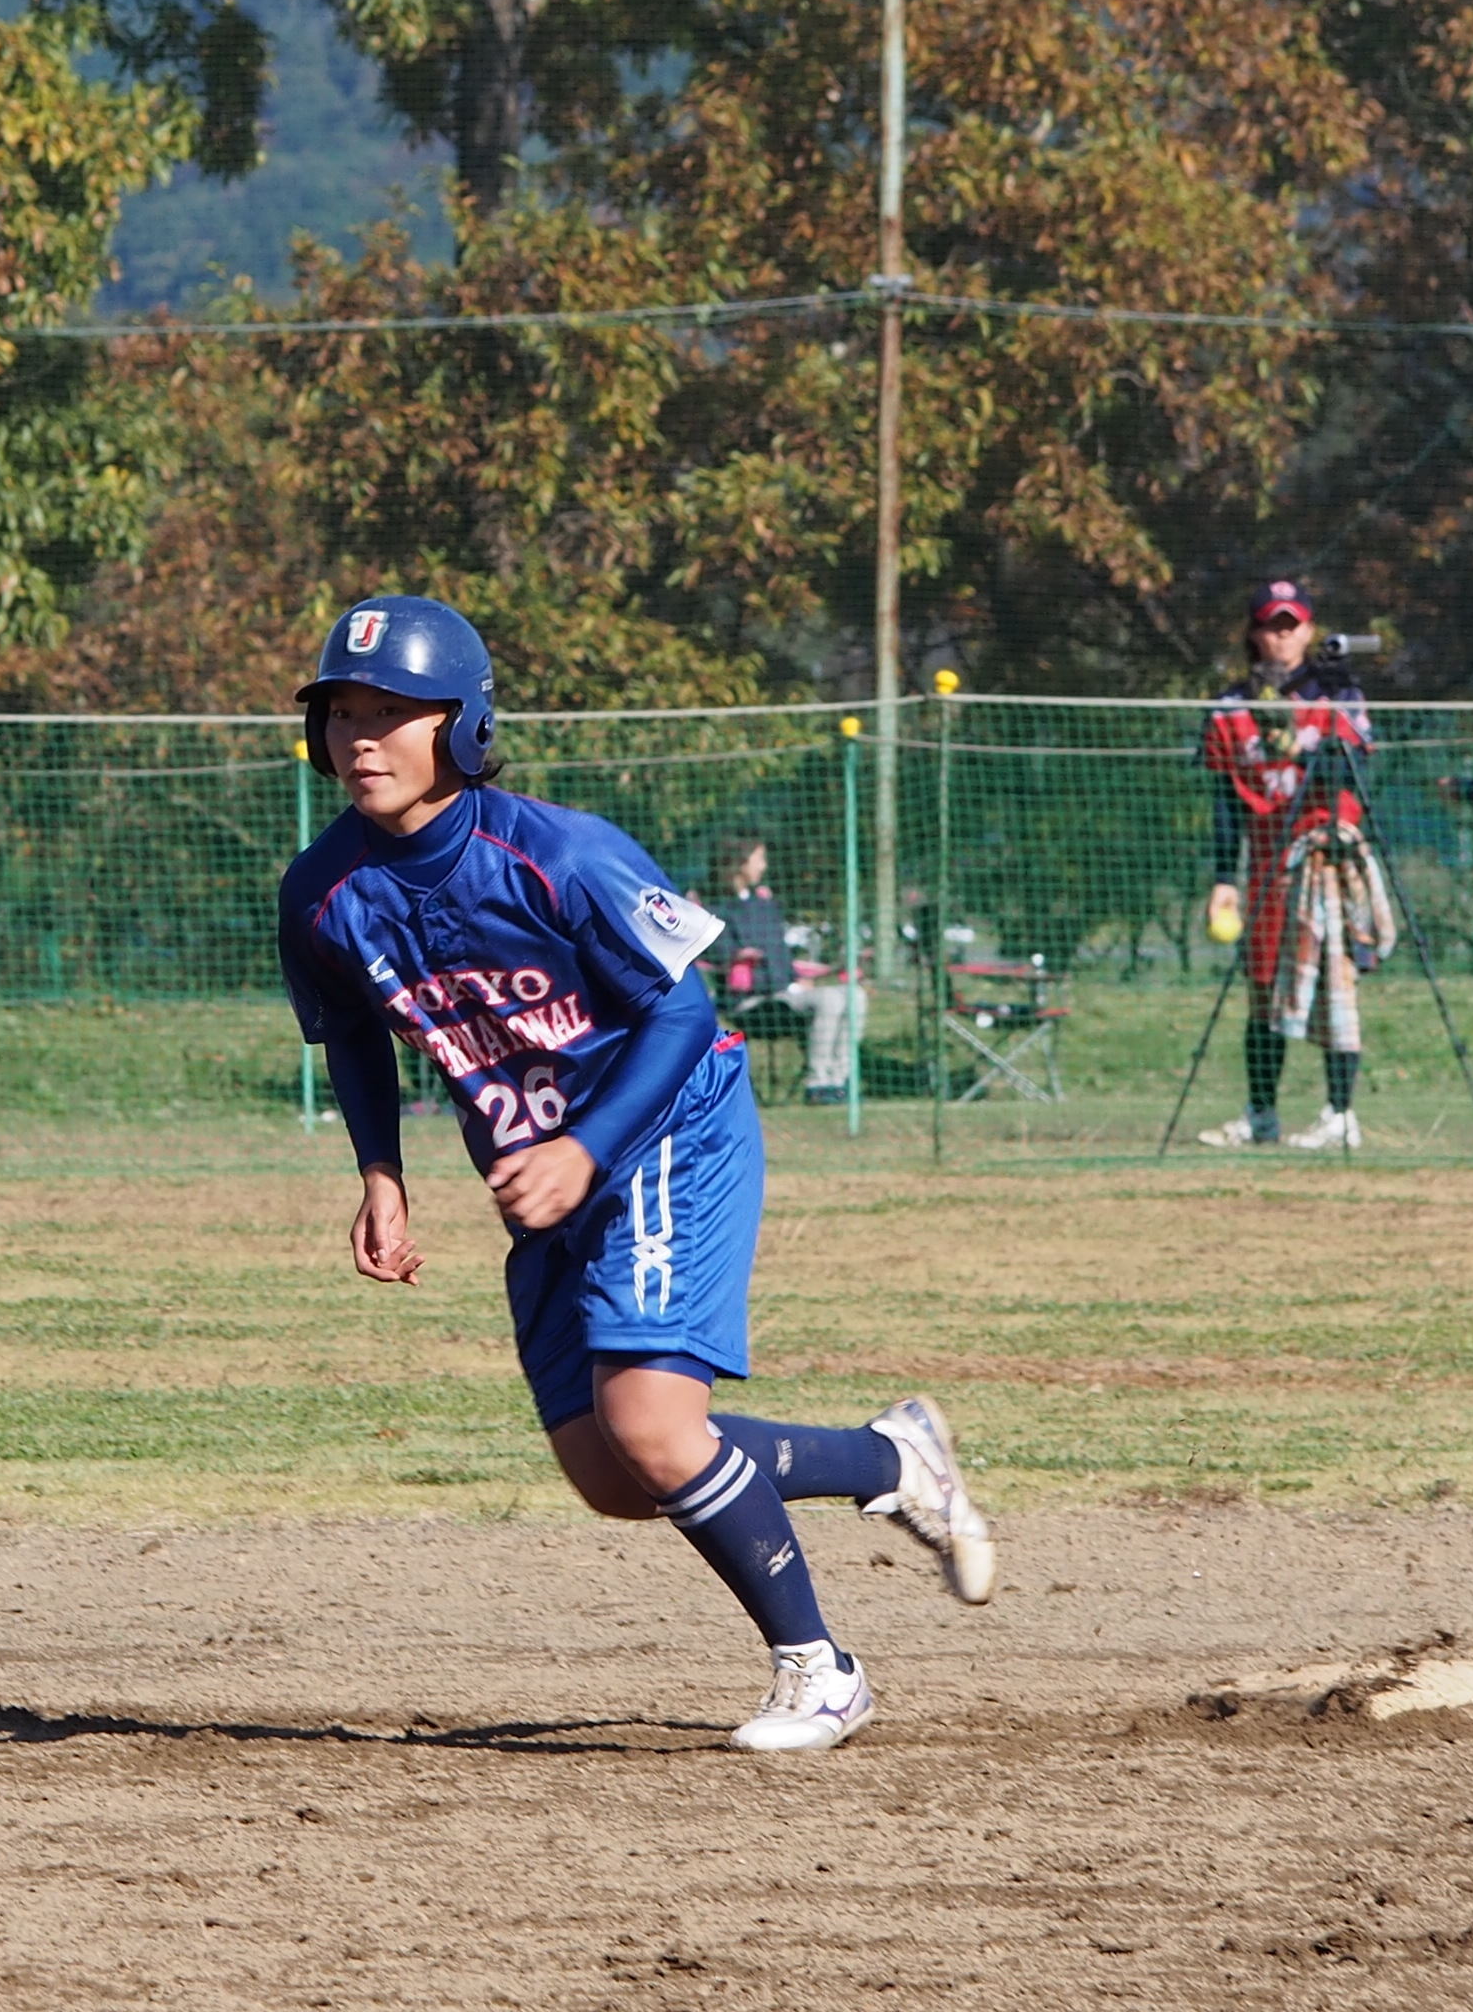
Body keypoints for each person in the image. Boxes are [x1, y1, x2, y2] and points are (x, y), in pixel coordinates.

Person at [279, 595, 994, 1756]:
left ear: (461, 725)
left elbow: (685, 1007)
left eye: (396, 711)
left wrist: (584, 1148)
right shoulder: (321, 892)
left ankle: (823, 1670)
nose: (362, 736)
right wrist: (382, 1173)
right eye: (343, 712)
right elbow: (355, 1032)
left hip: (667, 1127)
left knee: (655, 1426)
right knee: (617, 1472)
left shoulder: (557, 854)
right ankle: (888, 1458)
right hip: (546, 1169)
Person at [1197, 576, 1380, 1151]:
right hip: (1268, 862)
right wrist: (1225, 878)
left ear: (1309, 629)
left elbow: (1357, 771)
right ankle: (1261, 1114)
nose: (1283, 637)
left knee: (1335, 985)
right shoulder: (1232, 707)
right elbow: (1227, 799)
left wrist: (1307, 744)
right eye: (1272, 626)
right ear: (1254, 633)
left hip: (1323, 855)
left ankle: (1340, 1114)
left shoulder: (1337, 694)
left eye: (1292, 625)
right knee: (1263, 988)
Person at [698, 840, 863, 1106]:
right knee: (830, 1000)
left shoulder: (766, 906)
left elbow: (780, 956)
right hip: (752, 1002)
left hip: (786, 991)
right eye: (759, 859)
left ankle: (840, 1079)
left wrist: (799, 980)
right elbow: (716, 956)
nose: (763, 866)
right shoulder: (713, 910)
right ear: (738, 864)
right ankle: (817, 1083)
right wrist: (742, 960)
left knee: (854, 995)